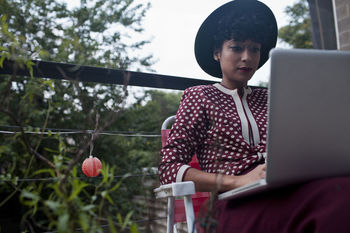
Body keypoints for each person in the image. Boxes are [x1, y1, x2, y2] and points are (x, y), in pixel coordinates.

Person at [158, 0, 350, 232]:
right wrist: (238, 180)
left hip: (285, 189)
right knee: (338, 201)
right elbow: (169, 169)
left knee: (340, 189)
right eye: (237, 48)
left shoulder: (271, 97)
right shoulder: (199, 97)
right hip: (231, 202)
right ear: (217, 52)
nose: (247, 57)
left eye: (254, 49)